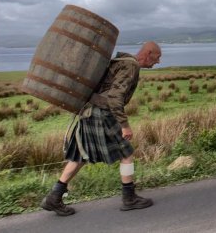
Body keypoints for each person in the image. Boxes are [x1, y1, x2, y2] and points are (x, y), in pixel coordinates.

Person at [41, 41, 162, 216]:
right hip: (103, 114)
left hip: (89, 111)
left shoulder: (121, 61)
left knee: (80, 155)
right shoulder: (131, 66)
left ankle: (54, 196)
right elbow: (114, 98)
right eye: (157, 57)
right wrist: (125, 125)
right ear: (148, 53)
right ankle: (129, 197)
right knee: (126, 152)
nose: (158, 62)